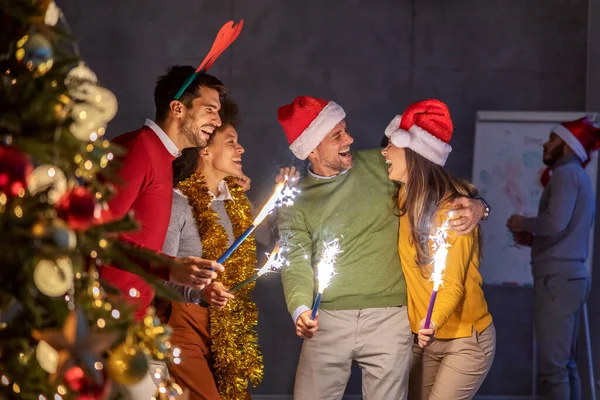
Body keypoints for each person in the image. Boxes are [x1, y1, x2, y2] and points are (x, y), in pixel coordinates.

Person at [276, 95, 487, 400]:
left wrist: (480, 206)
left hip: (391, 318)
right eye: (336, 135)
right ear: (310, 149)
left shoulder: (383, 164)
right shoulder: (294, 197)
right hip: (327, 319)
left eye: (345, 129)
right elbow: (294, 257)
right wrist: (300, 309)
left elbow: (435, 182)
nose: (350, 138)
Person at [98, 65, 228, 399]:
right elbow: (98, 237)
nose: (217, 119)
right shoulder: (140, 148)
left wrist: (181, 273)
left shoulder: (162, 157)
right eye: (210, 109)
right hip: (109, 325)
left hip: (134, 323)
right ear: (177, 108)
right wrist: (170, 267)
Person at [161, 98, 285, 400]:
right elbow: (160, 272)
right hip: (182, 324)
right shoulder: (177, 203)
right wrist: (201, 290)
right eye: (231, 142)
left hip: (226, 328)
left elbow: (267, 243)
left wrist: (279, 200)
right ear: (205, 150)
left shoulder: (237, 204)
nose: (241, 149)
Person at [381, 99, 495, 400]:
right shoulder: (403, 197)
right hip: (426, 339)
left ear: (413, 152)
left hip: (465, 338)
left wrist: (431, 322)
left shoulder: (453, 211)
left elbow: (452, 284)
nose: (384, 151)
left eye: (391, 145)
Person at [506, 117, 600, 400]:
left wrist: (524, 222)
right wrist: (534, 239)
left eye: (552, 139)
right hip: (568, 277)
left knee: (553, 370)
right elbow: (564, 227)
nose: (546, 145)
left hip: (557, 280)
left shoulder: (566, 175)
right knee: (565, 366)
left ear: (569, 147)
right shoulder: (576, 176)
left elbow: (555, 221)